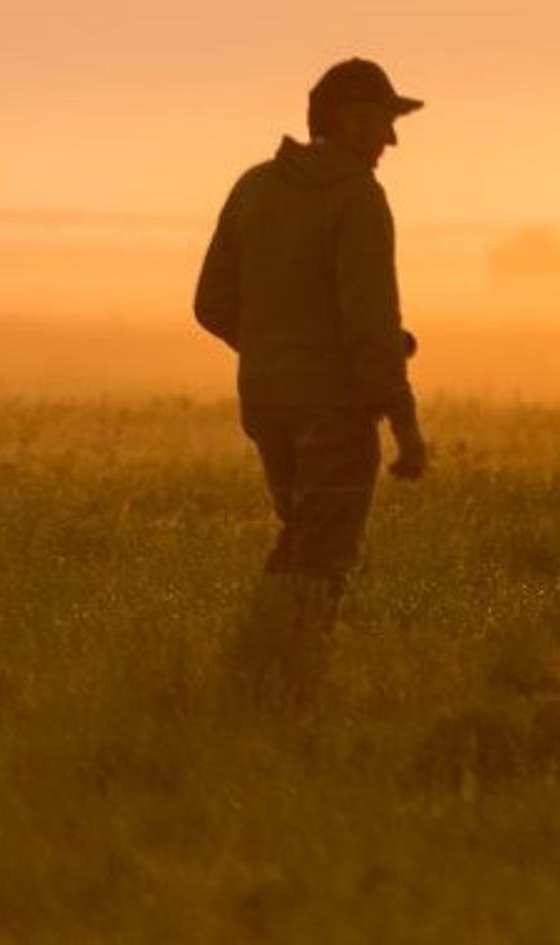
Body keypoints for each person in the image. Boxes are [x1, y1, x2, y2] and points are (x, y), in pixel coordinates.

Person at [193, 57, 433, 696]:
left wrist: (276, 348)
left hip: (266, 400)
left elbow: (210, 304)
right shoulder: (357, 197)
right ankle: (284, 683)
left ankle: (259, 671)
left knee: (300, 535)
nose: (392, 140)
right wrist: (406, 430)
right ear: (351, 121)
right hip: (334, 407)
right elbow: (370, 325)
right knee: (323, 556)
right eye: (385, 122)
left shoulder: (254, 187)